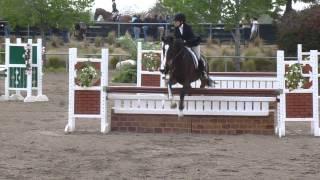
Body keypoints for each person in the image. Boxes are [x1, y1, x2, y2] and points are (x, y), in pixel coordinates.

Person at [173, 13, 207, 79]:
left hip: (193, 44)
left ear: (181, 21)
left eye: (176, 21)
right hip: (183, 46)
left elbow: (192, 38)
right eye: (174, 21)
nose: (174, 23)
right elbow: (176, 39)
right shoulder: (176, 29)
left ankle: (202, 72)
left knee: (197, 57)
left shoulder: (188, 28)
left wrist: (185, 41)